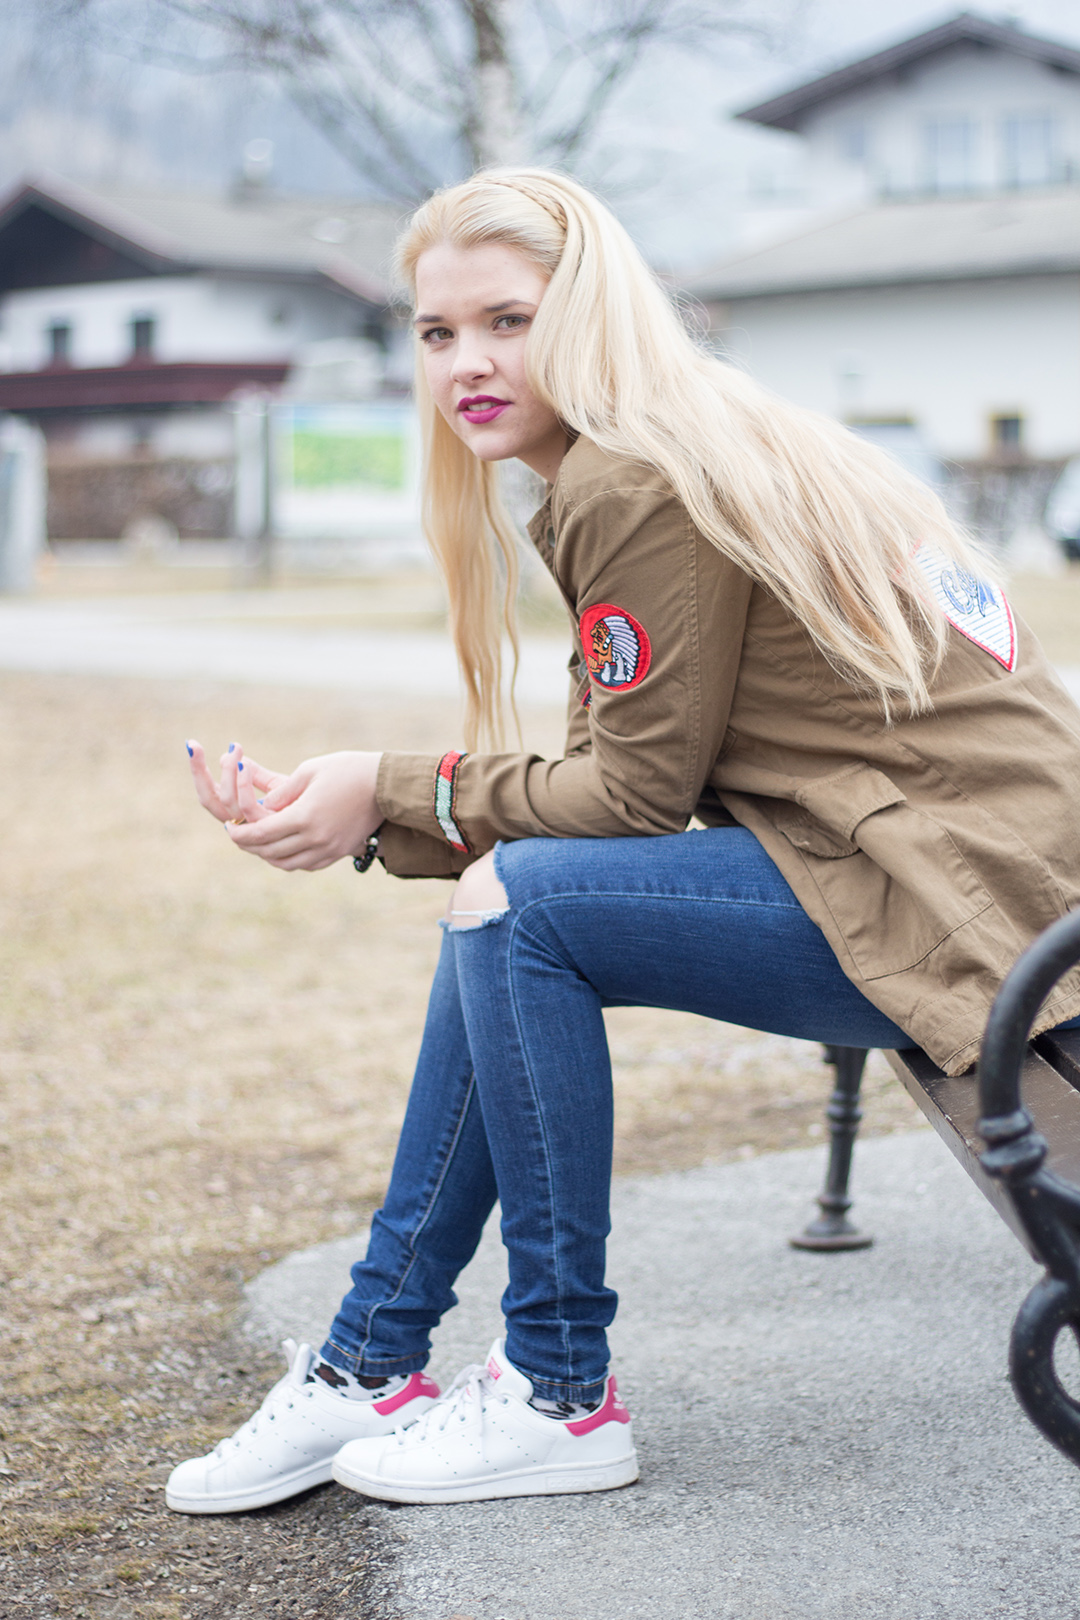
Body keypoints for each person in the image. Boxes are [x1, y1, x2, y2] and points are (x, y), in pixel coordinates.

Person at [166, 168, 1080, 1515]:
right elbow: (627, 775)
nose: (466, 363)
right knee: (509, 901)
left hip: (963, 904)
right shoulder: (688, 438)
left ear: (588, 314)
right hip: (974, 875)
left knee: (524, 905)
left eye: (507, 321)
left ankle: (552, 1389)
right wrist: (395, 800)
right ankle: (371, 1362)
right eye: (435, 334)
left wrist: (388, 787)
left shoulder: (635, 475)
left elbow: (633, 792)